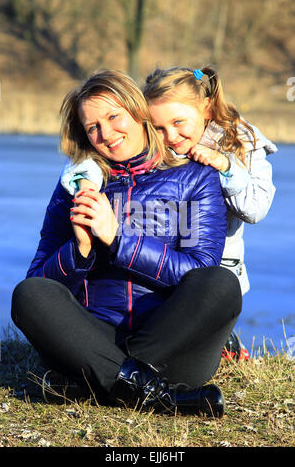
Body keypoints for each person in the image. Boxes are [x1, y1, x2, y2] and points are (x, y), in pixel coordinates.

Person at [11, 69, 242, 417]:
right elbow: (39, 281)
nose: (106, 133)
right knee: (28, 295)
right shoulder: (75, 185)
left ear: (138, 110)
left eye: (113, 116)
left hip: (171, 347)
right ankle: (153, 393)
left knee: (221, 284)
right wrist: (80, 251)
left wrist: (118, 239)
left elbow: (198, 270)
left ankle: (102, 384)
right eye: (93, 127)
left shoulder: (195, 176)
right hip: (94, 339)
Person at [60, 66, 277, 360]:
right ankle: (131, 368)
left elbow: (256, 209)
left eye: (178, 122)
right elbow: (93, 157)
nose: (170, 136)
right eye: (159, 127)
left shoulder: (241, 143)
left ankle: (213, 343)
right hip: (166, 267)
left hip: (219, 268)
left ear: (207, 109)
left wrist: (226, 168)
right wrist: (86, 182)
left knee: (210, 295)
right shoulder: (160, 147)